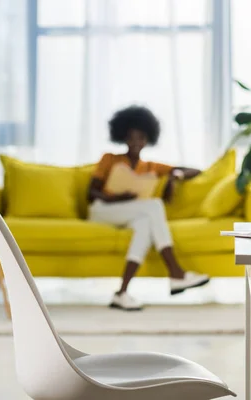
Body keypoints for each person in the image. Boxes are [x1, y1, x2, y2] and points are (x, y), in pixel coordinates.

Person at [88, 105, 209, 311]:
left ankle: (122, 292)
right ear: (123, 138)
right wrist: (117, 198)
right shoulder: (109, 159)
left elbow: (196, 170)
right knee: (154, 205)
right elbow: (91, 193)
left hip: (132, 214)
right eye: (131, 137)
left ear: (148, 139)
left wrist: (174, 176)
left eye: (141, 138)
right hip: (103, 211)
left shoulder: (152, 167)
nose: (136, 143)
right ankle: (176, 273)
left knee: (145, 226)